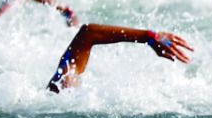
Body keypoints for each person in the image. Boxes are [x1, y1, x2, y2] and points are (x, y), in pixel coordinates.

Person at [47, 24, 192, 92]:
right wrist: (150, 37)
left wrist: (150, 37)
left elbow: (88, 33)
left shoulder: (62, 84)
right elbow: (88, 32)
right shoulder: (63, 83)